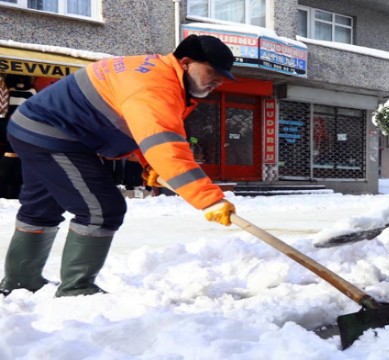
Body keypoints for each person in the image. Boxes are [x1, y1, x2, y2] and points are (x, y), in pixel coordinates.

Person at [0, 35, 238, 297]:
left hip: (32, 126)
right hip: (53, 134)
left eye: (223, 76)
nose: (219, 80)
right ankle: (77, 289)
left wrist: (152, 166)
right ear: (186, 62)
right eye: (213, 72)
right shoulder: (155, 86)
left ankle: (20, 283)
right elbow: (165, 144)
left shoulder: (158, 73)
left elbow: (141, 130)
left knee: (41, 207)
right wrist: (208, 199)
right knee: (101, 209)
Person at [0, 75, 36, 199]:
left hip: (10, 154)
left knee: (8, 184)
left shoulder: (10, 91)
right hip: (18, 155)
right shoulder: (9, 91)